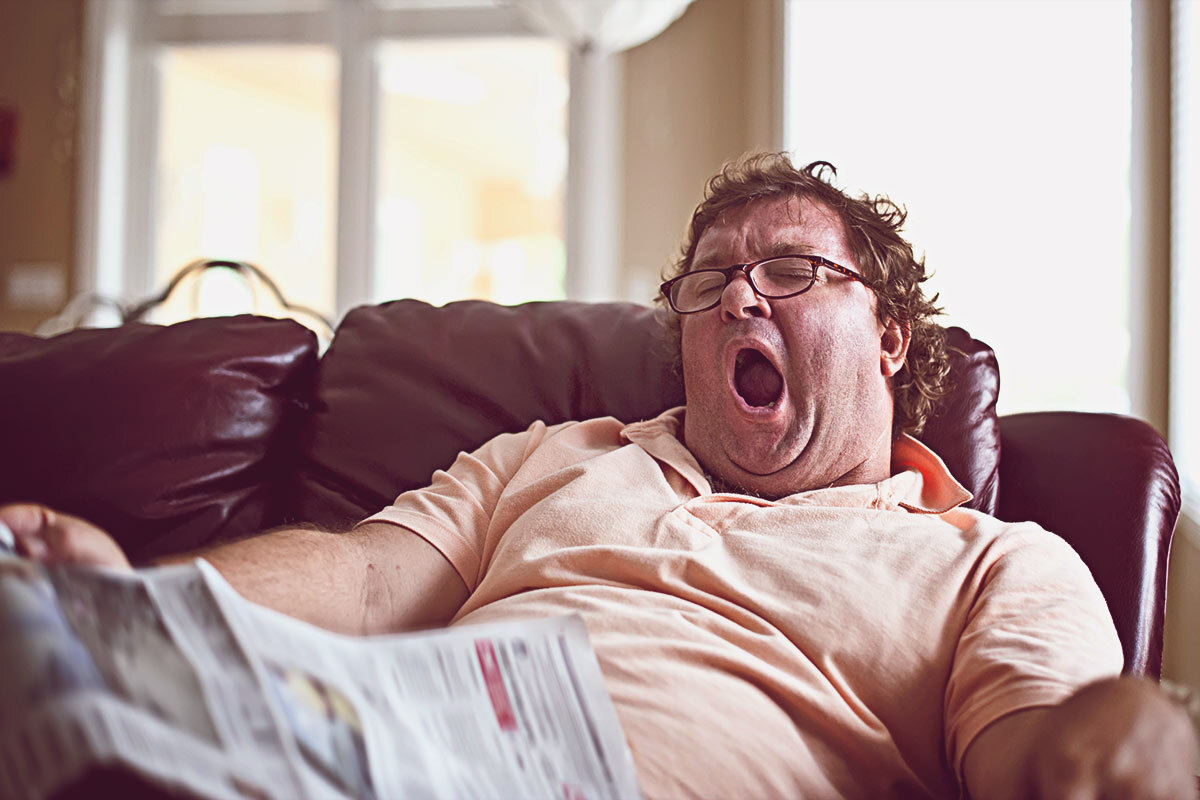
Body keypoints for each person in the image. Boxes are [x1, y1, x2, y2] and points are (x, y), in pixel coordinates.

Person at [2, 153, 1196, 799]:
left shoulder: (991, 561)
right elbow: (360, 583)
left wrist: (1126, 735)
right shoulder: (559, 455)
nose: (739, 296)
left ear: (889, 334)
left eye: (789, 270)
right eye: (710, 281)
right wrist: (133, 604)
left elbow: (1040, 762)